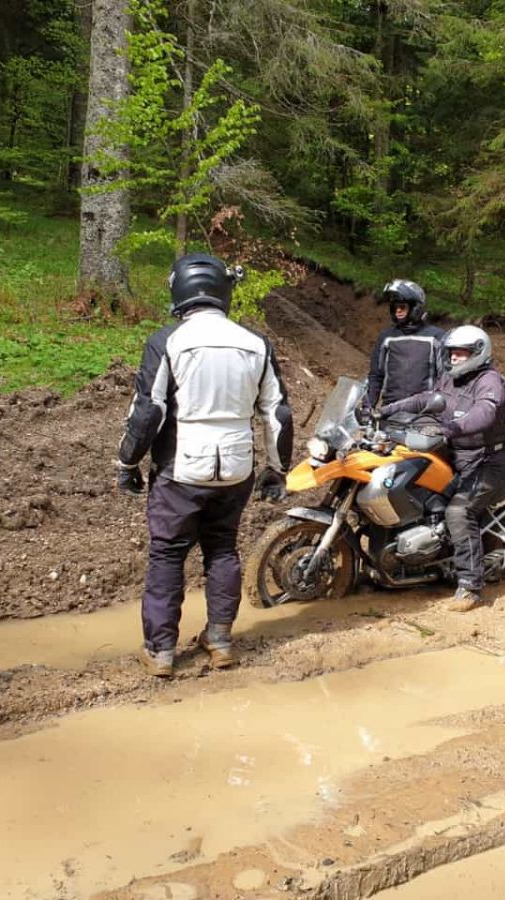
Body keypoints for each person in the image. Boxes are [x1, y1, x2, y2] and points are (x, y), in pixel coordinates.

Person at [116, 252, 293, 676]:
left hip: (181, 469)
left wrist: (128, 462)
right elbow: (278, 414)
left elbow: (148, 412)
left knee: (167, 555)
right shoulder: (256, 344)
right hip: (235, 469)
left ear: (180, 290)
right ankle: (219, 639)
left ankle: (161, 651)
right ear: (221, 291)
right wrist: (277, 468)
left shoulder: (167, 341)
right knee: (222, 549)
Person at [379, 325, 505, 612]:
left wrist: (450, 429)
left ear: (478, 353)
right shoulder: (451, 379)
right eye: (452, 353)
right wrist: (384, 411)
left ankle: (470, 587)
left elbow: (484, 413)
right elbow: (424, 399)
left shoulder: (490, 382)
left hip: (487, 462)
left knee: (459, 511)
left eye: (461, 353)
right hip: (454, 456)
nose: (454, 358)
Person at [364, 279, 446, 413]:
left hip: (424, 412)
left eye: (402, 307)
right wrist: (368, 406)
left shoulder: (436, 337)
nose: (398, 311)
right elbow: (376, 376)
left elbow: (445, 379)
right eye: (395, 307)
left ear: (415, 308)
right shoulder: (387, 337)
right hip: (389, 411)